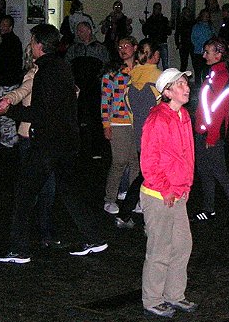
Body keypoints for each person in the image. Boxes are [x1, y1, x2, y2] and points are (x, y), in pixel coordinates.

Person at [0, 24, 108, 262]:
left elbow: (40, 113)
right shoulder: (62, 66)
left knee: (25, 194)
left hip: (48, 144)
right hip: (66, 142)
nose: (31, 45)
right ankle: (95, 237)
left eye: (33, 41)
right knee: (70, 192)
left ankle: (18, 249)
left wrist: (9, 112)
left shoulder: (46, 72)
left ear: (39, 45)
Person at [0, 34, 60, 250]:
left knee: (47, 189)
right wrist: (7, 100)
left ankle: (42, 233)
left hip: (45, 138)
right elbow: (22, 91)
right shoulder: (34, 74)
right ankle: (25, 237)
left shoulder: (54, 73)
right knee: (34, 189)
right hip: (30, 138)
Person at [139, 68, 197, 318]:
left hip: (177, 192)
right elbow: (149, 161)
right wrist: (165, 189)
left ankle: (174, 294)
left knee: (182, 246)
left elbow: (187, 155)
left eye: (186, 83)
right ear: (167, 92)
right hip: (158, 195)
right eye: (180, 84)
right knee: (159, 249)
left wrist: (186, 186)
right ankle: (152, 299)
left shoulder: (183, 115)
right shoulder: (157, 119)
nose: (186, 87)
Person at [192, 37, 229, 227]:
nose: (204, 55)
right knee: (204, 171)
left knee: (220, 173)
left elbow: (219, 109)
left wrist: (212, 135)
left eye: (208, 52)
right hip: (203, 130)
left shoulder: (221, 76)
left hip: (211, 133)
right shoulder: (213, 74)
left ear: (219, 54)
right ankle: (209, 209)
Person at [114, 39, 163, 229]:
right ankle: (145, 219)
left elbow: (131, 111)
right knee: (153, 178)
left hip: (141, 137)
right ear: (155, 55)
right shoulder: (160, 80)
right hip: (157, 137)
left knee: (146, 175)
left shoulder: (132, 79)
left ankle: (127, 214)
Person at [101, 36, 138, 214]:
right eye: (120, 47)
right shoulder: (113, 73)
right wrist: (106, 124)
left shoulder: (140, 71)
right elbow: (105, 100)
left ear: (135, 47)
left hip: (136, 122)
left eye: (126, 46)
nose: (123, 50)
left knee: (135, 162)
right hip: (118, 121)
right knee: (119, 162)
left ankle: (132, 199)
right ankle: (110, 199)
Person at [66, 21, 110, 159]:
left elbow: (106, 68)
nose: (78, 33)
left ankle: (97, 149)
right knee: (77, 118)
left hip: (94, 88)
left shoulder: (100, 49)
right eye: (78, 31)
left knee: (95, 118)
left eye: (81, 30)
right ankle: (77, 149)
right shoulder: (74, 49)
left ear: (89, 31)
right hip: (77, 89)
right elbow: (67, 66)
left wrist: (99, 82)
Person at [0, 15, 23, 148]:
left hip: (7, 82)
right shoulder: (13, 41)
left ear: (10, 27)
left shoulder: (7, 43)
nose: (2, 27)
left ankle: (7, 141)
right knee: (9, 112)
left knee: (4, 112)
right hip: (11, 81)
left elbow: (3, 64)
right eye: (1, 25)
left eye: (5, 25)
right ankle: (12, 138)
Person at [140, 2, 172, 68]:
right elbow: (146, 33)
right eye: (157, 8)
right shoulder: (150, 20)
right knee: (153, 63)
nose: (158, 10)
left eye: (159, 9)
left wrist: (169, 26)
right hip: (154, 44)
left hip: (163, 43)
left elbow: (169, 32)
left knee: (165, 64)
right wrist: (144, 25)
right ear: (153, 9)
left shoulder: (164, 20)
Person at [190, 9, 213, 80]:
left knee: (206, 72)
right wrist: (199, 46)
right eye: (204, 16)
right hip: (198, 52)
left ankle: (205, 85)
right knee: (198, 71)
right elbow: (193, 38)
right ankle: (197, 85)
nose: (206, 17)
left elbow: (212, 37)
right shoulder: (196, 27)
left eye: (207, 16)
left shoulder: (210, 27)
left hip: (208, 52)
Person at [174, 5, 195, 72]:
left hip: (192, 43)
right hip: (184, 44)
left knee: (194, 62)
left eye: (188, 12)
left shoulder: (193, 22)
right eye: (185, 12)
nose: (187, 13)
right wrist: (178, 43)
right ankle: (181, 75)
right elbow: (177, 34)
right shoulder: (181, 22)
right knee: (184, 63)